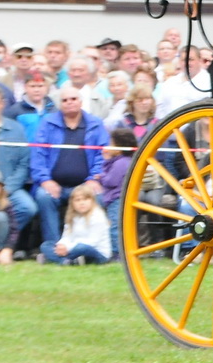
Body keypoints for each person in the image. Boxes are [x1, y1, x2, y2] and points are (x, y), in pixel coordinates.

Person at [30, 87, 106, 257]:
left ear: (80, 101)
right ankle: (55, 248)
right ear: (59, 104)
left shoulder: (95, 124)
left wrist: (94, 179)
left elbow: (103, 155)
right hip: (54, 184)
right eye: (64, 100)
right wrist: (45, 180)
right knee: (43, 196)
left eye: (73, 98)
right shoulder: (48, 123)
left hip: (86, 184)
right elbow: (38, 155)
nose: (69, 102)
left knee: (99, 197)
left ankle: (90, 249)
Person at [0, 86, 33, 244]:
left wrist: (7, 189)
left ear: (2, 104)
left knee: (28, 207)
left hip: (7, 186)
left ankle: (1, 244)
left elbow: (23, 164)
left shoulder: (16, 129)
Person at [46, 184, 110, 266]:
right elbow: (67, 236)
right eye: (78, 200)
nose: (82, 203)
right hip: (73, 248)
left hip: (96, 252)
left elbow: (92, 242)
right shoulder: (72, 216)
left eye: (85, 199)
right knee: (47, 245)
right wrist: (61, 245)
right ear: (72, 203)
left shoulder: (98, 216)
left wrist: (68, 248)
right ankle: (68, 261)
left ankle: (57, 259)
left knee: (81, 248)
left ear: (92, 200)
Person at [98, 126, 136, 261]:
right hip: (115, 198)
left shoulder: (121, 163)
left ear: (119, 148)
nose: (108, 146)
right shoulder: (119, 161)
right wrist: (107, 160)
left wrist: (101, 177)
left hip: (116, 199)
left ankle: (117, 253)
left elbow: (111, 181)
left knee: (115, 226)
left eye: (111, 143)